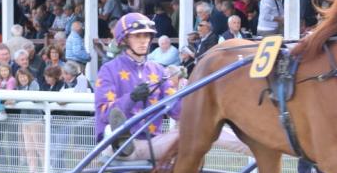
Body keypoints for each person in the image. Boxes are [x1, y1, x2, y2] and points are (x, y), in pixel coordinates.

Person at [95, 13, 248, 160]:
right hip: (119, 145)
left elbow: (177, 109)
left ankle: (259, 145)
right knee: (189, 132)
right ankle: (119, 140)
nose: (143, 41)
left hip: (152, 143)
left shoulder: (157, 70)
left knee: (206, 127)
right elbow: (103, 113)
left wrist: (206, 106)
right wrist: (131, 98)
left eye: (146, 36)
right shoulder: (109, 70)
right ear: (124, 40)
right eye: (137, 36)